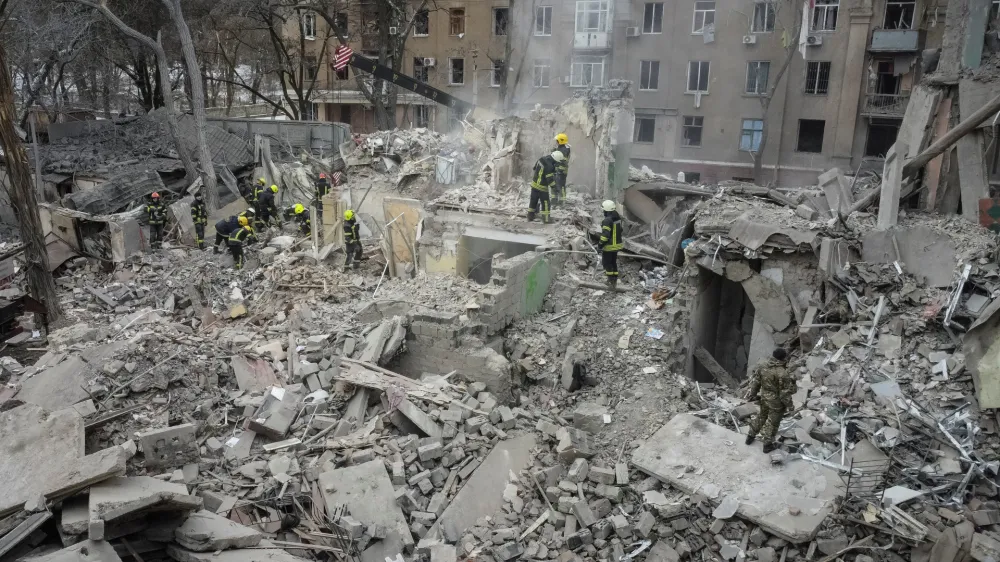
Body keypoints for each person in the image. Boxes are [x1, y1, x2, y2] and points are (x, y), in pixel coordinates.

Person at [745, 348, 796, 454]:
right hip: (776, 403)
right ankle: (767, 445)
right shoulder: (783, 373)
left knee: (761, 417)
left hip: (764, 398)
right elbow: (785, 394)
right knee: (772, 423)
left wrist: (753, 394)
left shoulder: (763, 366)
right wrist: (790, 406)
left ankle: (750, 436)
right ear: (783, 358)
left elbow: (756, 382)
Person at [528, 151, 563, 224]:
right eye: (557, 162)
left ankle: (530, 216)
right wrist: (555, 188)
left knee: (533, 201)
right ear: (555, 159)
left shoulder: (542, 159)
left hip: (534, 184)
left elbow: (534, 168)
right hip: (542, 187)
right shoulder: (549, 166)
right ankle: (546, 219)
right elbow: (550, 180)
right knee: (546, 203)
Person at [598, 200, 624, 288]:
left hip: (609, 246)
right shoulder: (617, 217)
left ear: (606, 210)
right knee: (613, 262)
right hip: (617, 245)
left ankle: (610, 280)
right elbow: (621, 230)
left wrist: (600, 245)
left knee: (606, 263)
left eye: (603, 210)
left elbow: (605, 235)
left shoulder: (607, 221)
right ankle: (615, 279)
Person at [553, 133, 571, 206]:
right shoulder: (561, 148)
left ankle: (562, 201)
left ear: (560, 141)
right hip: (557, 169)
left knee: (561, 185)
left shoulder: (565, 150)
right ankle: (554, 199)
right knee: (554, 184)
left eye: (557, 141)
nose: (556, 142)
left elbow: (563, 161)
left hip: (561, 170)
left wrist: (559, 170)